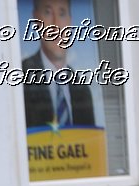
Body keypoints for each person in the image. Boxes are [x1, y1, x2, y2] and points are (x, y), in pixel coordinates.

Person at [22, 0, 97, 130]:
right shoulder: (21, 77)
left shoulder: (82, 90)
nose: (56, 24)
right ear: (36, 20)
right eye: (48, 12)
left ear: (70, 21)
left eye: (62, 13)